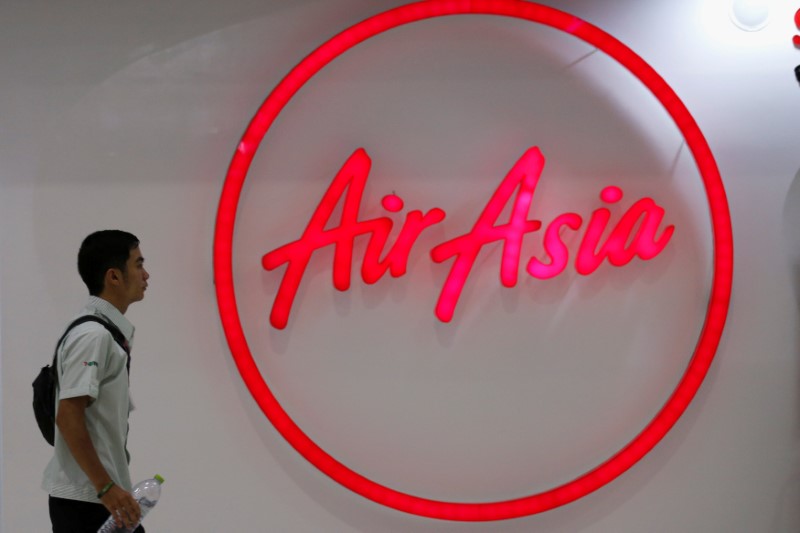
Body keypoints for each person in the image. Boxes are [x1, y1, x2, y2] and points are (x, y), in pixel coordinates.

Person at [42, 230, 150, 533]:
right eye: (138, 264)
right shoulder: (93, 336)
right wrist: (106, 489)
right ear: (114, 276)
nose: (146, 274)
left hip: (99, 498)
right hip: (88, 501)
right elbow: (68, 415)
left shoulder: (103, 333)